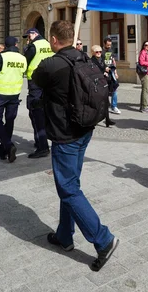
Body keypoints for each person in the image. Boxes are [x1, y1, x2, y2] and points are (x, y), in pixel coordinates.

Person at [32, 20, 119, 271]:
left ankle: (103, 240)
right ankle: (64, 235)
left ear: (54, 40)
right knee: (70, 185)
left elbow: (36, 78)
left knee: (68, 188)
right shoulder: (85, 59)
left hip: (65, 135)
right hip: (85, 131)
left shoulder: (52, 64)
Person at [0, 36, 27, 163]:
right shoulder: (22, 58)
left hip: (1, 94)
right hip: (15, 94)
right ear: (16, 45)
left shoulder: (2, 56)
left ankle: (8, 145)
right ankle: (3, 150)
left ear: (5, 46)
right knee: (9, 121)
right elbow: (23, 71)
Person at [24, 28, 53, 159]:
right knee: (44, 112)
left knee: (36, 113)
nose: (28, 39)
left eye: (28, 36)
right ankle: (40, 141)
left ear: (35, 34)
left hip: (35, 82)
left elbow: (25, 63)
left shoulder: (33, 46)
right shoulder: (48, 43)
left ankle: (42, 146)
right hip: (49, 81)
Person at [91, 45, 116, 127]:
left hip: (104, 82)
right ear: (93, 52)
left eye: (100, 51)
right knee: (98, 102)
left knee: (105, 101)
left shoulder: (102, 58)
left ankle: (107, 120)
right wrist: (103, 72)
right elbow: (94, 71)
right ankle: (93, 120)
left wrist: (107, 69)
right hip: (97, 83)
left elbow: (105, 66)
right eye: (96, 52)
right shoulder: (92, 61)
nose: (99, 53)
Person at [102, 37, 120, 114]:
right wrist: (103, 70)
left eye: (110, 45)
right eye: (108, 45)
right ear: (104, 44)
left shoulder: (111, 51)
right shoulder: (101, 52)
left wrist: (115, 72)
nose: (109, 46)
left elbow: (113, 62)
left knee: (115, 88)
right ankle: (104, 106)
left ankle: (114, 106)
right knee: (104, 90)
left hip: (112, 72)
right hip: (104, 73)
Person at [138, 41, 148, 112]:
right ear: (143, 46)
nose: (147, 46)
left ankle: (143, 105)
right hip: (144, 73)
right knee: (145, 89)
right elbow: (141, 62)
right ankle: (144, 107)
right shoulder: (143, 52)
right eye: (146, 45)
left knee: (145, 89)